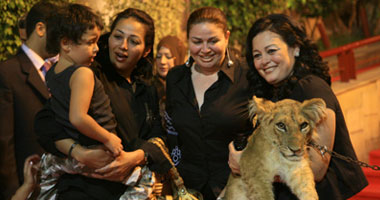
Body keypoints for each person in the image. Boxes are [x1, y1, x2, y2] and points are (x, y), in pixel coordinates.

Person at [35, 7, 171, 200]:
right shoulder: (88, 72)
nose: (123, 46)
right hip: (84, 187)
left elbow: (158, 135)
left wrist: (136, 157)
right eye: (118, 36)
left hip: (129, 186)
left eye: (133, 41)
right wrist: (79, 152)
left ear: (146, 50)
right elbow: (45, 122)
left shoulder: (148, 88)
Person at [228, 14, 368, 199]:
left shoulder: (312, 87)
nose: (264, 61)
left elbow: (317, 168)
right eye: (257, 55)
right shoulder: (274, 93)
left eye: (271, 51)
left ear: (295, 48)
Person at [165, 7, 253, 200]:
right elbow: (171, 131)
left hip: (238, 187)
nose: (205, 50)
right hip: (189, 189)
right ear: (187, 39)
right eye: (197, 42)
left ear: (227, 37)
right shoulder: (175, 78)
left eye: (213, 41)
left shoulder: (247, 76)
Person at [0, 2, 59, 199]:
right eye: (59, 31)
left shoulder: (57, 71)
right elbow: (3, 142)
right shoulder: (8, 72)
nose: (63, 39)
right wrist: (14, 193)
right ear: (40, 29)